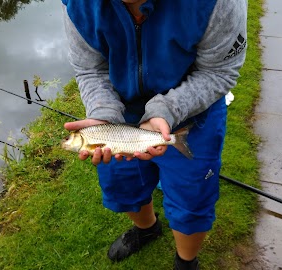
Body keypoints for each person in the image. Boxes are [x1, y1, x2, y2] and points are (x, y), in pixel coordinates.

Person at [61, 0, 247, 269]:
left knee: (192, 197)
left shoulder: (219, 4)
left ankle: (186, 261)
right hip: (120, 106)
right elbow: (90, 68)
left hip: (192, 106)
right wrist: (103, 112)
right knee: (123, 183)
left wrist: (166, 110)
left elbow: (218, 72)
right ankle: (147, 228)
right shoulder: (77, 4)